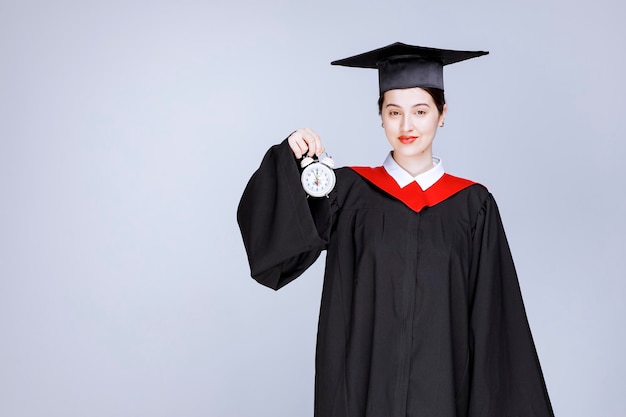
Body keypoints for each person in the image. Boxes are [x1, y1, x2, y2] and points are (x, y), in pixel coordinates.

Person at [237, 42, 554, 417]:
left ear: (442, 114)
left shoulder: (472, 206)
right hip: (362, 395)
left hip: (444, 397)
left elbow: (495, 324)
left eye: (420, 111)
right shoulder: (346, 194)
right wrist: (288, 160)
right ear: (381, 116)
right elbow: (277, 251)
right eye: (394, 112)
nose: (407, 126)